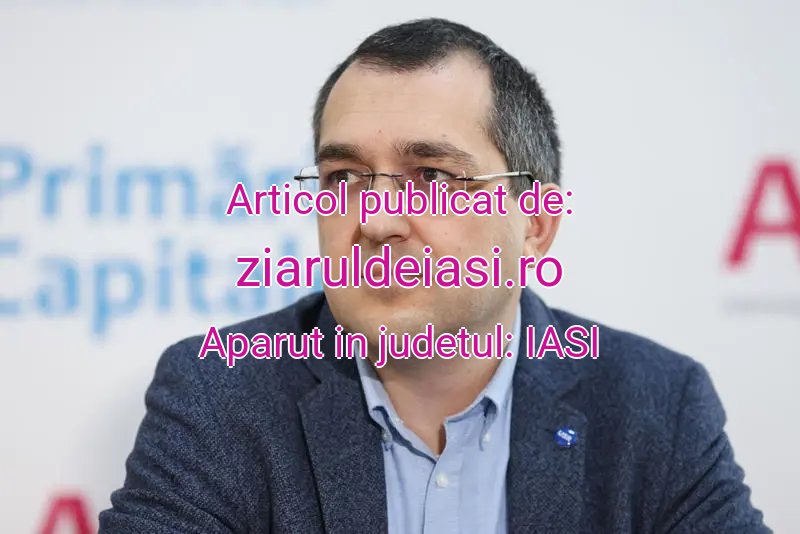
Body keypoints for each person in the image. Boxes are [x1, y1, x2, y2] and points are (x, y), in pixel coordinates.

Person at [99, 18, 770, 533]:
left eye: (432, 177)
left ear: (535, 225)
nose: (377, 220)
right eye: (344, 178)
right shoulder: (222, 391)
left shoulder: (655, 405)